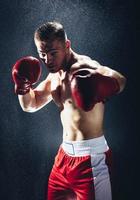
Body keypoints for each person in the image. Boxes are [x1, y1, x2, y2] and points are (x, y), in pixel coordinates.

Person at [12, 21, 126, 200]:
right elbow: (30, 105)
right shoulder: (55, 75)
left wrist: (100, 83)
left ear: (67, 45)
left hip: (91, 162)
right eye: (42, 55)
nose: (47, 60)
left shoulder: (84, 67)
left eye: (52, 53)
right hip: (63, 160)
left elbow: (121, 80)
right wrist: (23, 87)